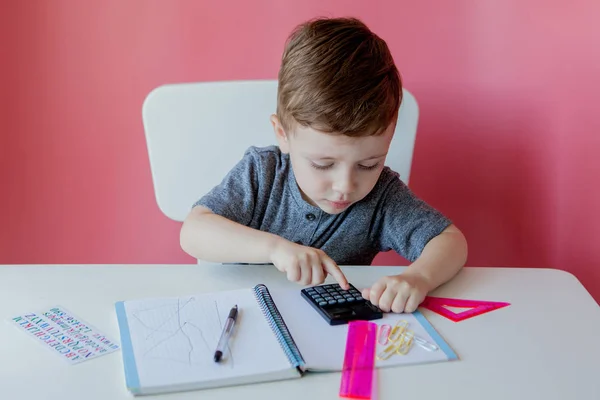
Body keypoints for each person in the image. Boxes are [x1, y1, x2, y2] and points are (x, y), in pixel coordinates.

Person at [180, 17, 467, 314]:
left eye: (369, 164)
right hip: (242, 317)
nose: (345, 185)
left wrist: (418, 277)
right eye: (322, 164)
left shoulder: (382, 196)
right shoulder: (262, 173)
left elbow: (451, 241)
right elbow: (193, 231)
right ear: (283, 135)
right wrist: (275, 249)